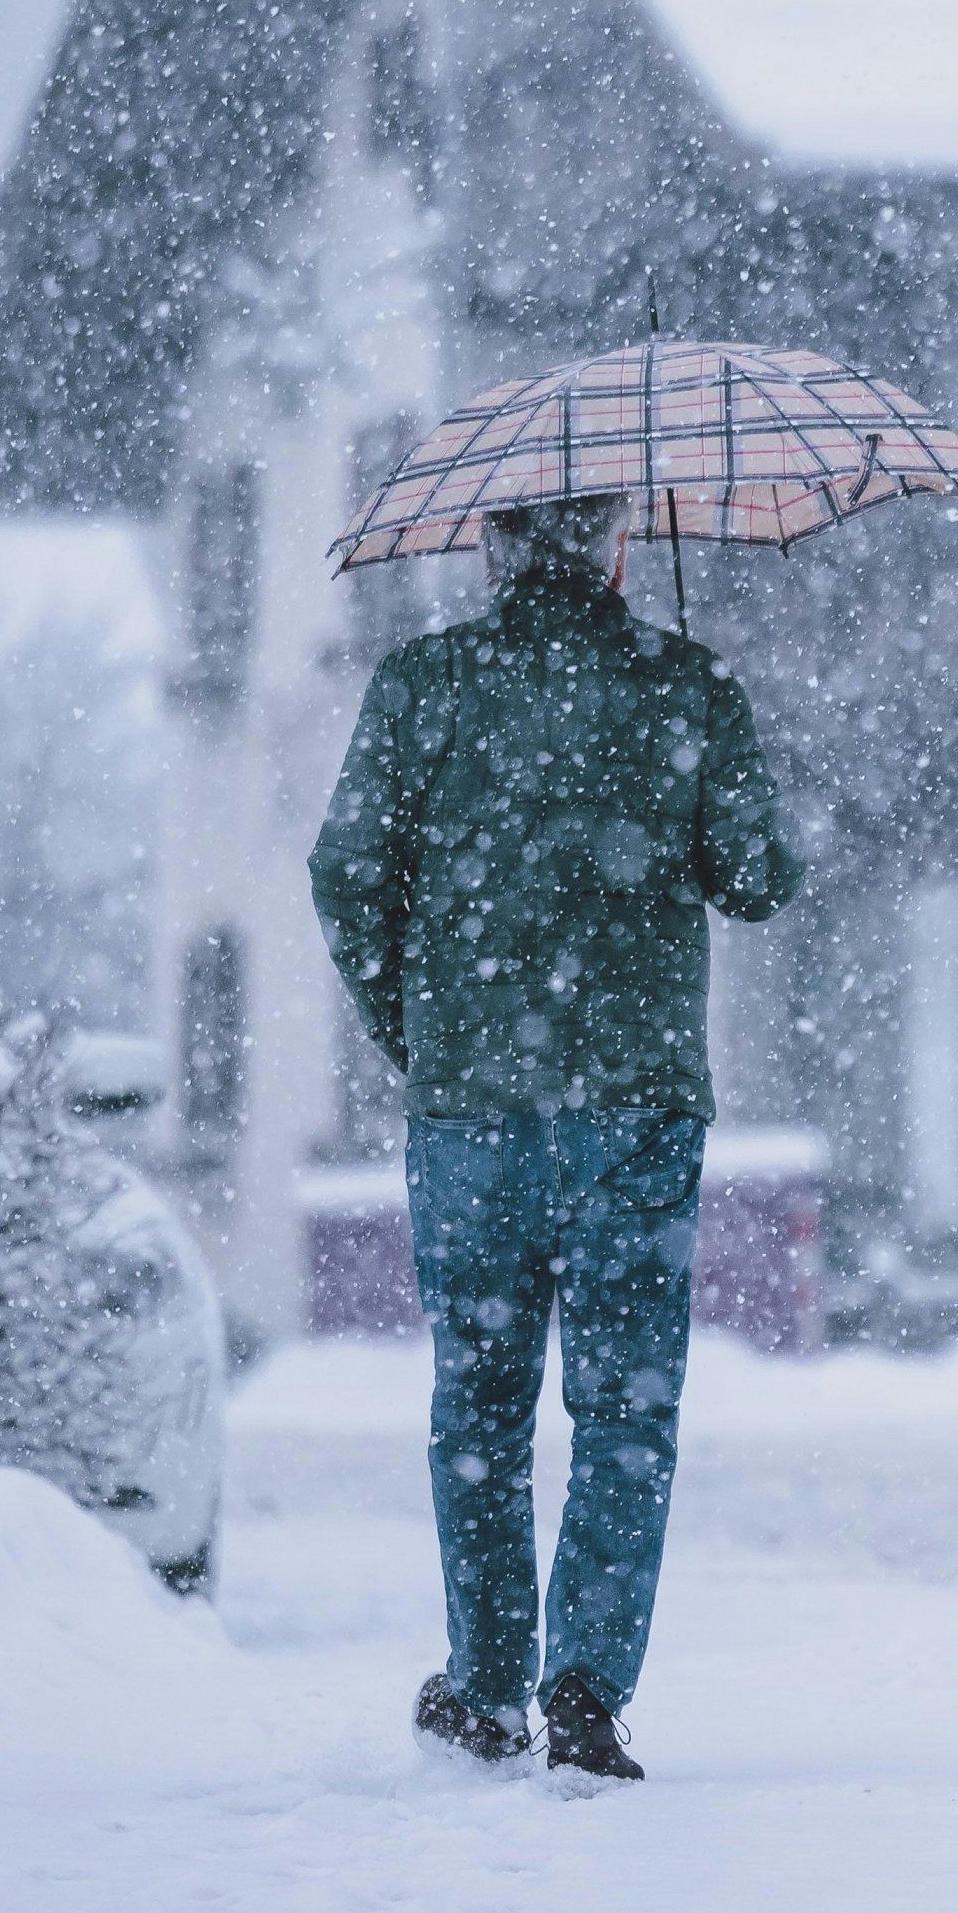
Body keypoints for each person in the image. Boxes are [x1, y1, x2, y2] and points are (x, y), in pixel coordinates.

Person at [309, 492, 805, 1780]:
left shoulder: (422, 687)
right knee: (625, 1406)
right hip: (637, 1110)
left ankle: (485, 1687)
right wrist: (702, 736)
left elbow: (345, 873)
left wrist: (422, 1033)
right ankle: (585, 1684)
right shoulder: (687, 685)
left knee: (479, 1402)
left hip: (472, 1114)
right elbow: (758, 881)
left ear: (494, 546)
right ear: (619, 544)